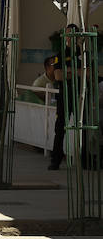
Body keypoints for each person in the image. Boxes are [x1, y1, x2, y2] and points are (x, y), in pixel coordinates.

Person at [49, 24, 81, 170]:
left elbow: (90, 74)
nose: (69, 38)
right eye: (67, 35)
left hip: (81, 94)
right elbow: (58, 76)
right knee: (60, 127)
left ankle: (85, 158)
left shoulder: (84, 53)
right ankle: (56, 159)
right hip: (65, 95)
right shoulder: (60, 54)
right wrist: (77, 71)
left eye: (72, 35)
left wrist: (68, 71)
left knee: (84, 126)